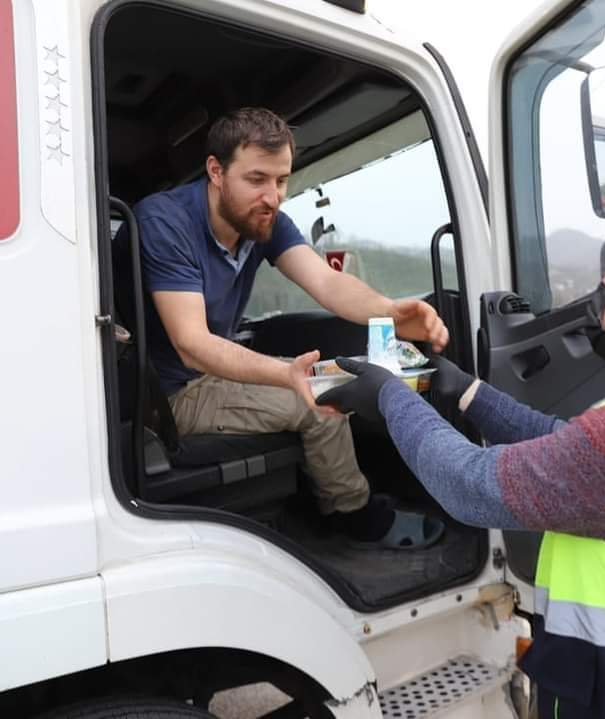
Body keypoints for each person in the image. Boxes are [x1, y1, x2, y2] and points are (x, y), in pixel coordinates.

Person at [319, 209, 605, 717]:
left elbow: (471, 488)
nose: (597, 295)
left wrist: (389, 395)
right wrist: (466, 391)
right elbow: (571, 449)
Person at [125, 107, 448, 549]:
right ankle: (354, 516)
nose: (273, 197)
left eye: (281, 181)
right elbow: (192, 345)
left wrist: (391, 310)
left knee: (332, 379)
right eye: (257, 179)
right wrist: (289, 376)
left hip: (206, 376)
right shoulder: (166, 222)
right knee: (319, 400)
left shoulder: (262, 221)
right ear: (215, 171)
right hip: (168, 395)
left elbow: (326, 282)